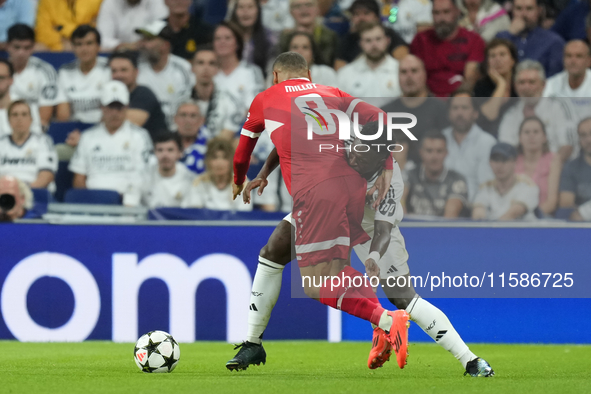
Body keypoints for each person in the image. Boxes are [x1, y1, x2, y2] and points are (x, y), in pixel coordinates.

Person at [227, 124, 494, 377]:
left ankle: (469, 360)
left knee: (402, 296)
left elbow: (383, 230)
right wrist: (262, 173)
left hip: (368, 221)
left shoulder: (391, 182)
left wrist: (374, 258)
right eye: (356, 148)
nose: (355, 156)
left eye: (364, 155)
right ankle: (253, 343)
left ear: (381, 160)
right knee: (273, 251)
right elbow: (289, 144)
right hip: (326, 207)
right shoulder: (336, 143)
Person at [232, 52, 411, 370]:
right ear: (308, 75)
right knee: (273, 251)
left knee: (317, 283)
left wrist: (238, 180)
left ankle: (384, 320)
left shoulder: (266, 98)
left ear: (275, 76)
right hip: (349, 187)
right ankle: (252, 343)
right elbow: (381, 121)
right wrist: (384, 164)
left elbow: (241, 152)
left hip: (316, 195)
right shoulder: (332, 94)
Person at [69, 81, 153, 207]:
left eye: (119, 108)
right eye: (110, 107)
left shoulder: (140, 136)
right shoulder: (87, 137)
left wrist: (129, 202)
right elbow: (79, 178)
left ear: (127, 107)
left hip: (129, 202)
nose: (115, 113)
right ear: (101, 107)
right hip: (94, 202)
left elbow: (144, 175)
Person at [498, 60, 576, 163]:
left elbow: (567, 146)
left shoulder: (559, 106)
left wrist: (548, 169)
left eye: (531, 82)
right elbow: (505, 150)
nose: (526, 87)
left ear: (543, 84)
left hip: (560, 168)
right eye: (521, 82)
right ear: (515, 86)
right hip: (521, 172)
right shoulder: (510, 115)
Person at [381, 54, 448, 166]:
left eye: (414, 71)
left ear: (424, 74)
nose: (409, 76)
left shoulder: (442, 110)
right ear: (397, 77)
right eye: (403, 72)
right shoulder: (384, 113)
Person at [410, 0, 485, 96]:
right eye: (436, 13)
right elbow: (414, 77)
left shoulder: (474, 40)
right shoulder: (420, 40)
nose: (441, 18)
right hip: (427, 100)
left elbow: (470, 79)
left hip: (460, 100)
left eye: (446, 12)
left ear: (457, 12)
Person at [136, 20, 196, 128]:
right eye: (143, 39)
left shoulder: (183, 69)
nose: (143, 44)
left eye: (149, 39)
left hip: (174, 129)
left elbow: (186, 104)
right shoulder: (137, 69)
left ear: (165, 45)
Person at [442, 91, 496, 201]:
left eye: (464, 108)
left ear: (475, 113)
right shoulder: (441, 139)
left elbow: (487, 186)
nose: (459, 113)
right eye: (455, 108)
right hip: (440, 206)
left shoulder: (487, 143)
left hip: (473, 209)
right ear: (448, 114)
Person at [7, 24, 61, 130]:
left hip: (34, 131)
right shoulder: (2, 71)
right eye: (17, 47)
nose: (21, 53)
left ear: (33, 47)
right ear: (8, 46)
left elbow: (45, 116)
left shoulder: (46, 71)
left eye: (26, 48)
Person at [403, 132, 469, 217]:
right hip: (411, 229)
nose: (434, 157)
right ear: (421, 153)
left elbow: (449, 217)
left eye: (439, 151)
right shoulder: (409, 175)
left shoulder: (457, 180)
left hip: (442, 229)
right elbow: (398, 202)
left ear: (446, 153)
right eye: (429, 151)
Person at [55, 25, 112, 125]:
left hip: (103, 128)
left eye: (89, 43)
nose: (84, 49)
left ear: (98, 46)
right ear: (72, 47)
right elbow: (63, 116)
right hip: (74, 129)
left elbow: (114, 110)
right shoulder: (64, 72)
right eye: (79, 44)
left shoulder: (110, 68)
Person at [337, 22, 401, 108]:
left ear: (387, 41)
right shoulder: (346, 74)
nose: (374, 45)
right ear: (361, 44)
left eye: (378, 39)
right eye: (368, 40)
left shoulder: (401, 71)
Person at [495, 0, 564, 78]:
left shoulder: (553, 41)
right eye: (519, 8)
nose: (523, 14)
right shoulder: (501, 37)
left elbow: (555, 78)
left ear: (539, 11)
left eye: (529, 9)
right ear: (512, 10)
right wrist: (510, 34)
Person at [109, 51, 168, 141]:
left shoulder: (144, 94)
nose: (118, 75)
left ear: (136, 72)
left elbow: (125, 126)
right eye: (114, 71)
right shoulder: (109, 95)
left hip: (153, 149)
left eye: (124, 70)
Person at [472, 142, 539, 220]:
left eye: (504, 160)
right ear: (490, 162)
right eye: (496, 160)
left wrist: (492, 230)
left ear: (515, 162)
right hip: (492, 231)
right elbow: (478, 215)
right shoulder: (485, 188)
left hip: (522, 231)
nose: (499, 165)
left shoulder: (527, 185)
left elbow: (512, 214)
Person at [335, 0, 408, 70]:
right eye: (356, 14)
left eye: (366, 13)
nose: (361, 18)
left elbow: (403, 60)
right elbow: (340, 68)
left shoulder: (388, 33)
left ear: (377, 17)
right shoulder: (348, 39)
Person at [212, 22, 264, 121]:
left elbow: (256, 108)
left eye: (227, 38)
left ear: (237, 44)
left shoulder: (252, 72)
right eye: (217, 38)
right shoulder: (208, 73)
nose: (222, 42)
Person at [183, 137, 252, 211]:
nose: (219, 163)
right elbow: (194, 215)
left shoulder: (242, 184)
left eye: (225, 158)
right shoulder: (198, 183)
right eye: (215, 157)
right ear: (208, 161)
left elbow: (244, 217)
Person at [0, 100, 57, 189]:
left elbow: (46, 176)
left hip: (35, 193)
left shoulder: (43, 141)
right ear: (8, 120)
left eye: (24, 114)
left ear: (31, 119)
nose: (19, 118)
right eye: (15, 115)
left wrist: (22, 193)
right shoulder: (1, 143)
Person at [190, 46, 244, 139]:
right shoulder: (180, 101)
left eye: (211, 63)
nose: (205, 68)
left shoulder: (230, 102)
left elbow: (226, 137)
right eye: (200, 63)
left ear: (217, 69)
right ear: (192, 68)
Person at [515, 116, 561, 215]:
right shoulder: (512, 161)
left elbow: (552, 201)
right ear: (520, 138)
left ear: (544, 137)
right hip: (514, 217)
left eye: (536, 132)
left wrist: (531, 219)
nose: (531, 136)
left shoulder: (553, 159)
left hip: (543, 218)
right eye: (527, 132)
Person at [474, 38, 518, 137]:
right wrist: (501, 84)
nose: (497, 59)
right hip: (490, 134)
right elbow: (489, 115)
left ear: (512, 61)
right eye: (492, 56)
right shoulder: (481, 86)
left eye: (502, 54)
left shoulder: (521, 82)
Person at [277, 0, 340, 67]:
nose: (303, 9)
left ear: (317, 9)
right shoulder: (285, 37)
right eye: (297, 6)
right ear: (290, 12)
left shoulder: (329, 36)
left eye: (308, 5)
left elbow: (328, 62)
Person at [543, 40, 591, 122]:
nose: (573, 61)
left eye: (579, 56)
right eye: (568, 56)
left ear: (588, 61)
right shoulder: (551, 84)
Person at [143, 132, 194, 208]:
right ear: (154, 152)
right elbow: (130, 209)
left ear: (180, 153)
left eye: (170, 150)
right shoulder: (143, 177)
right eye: (160, 150)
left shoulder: (191, 180)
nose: (165, 155)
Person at [96, 0, 169, 52]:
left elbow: (161, 30)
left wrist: (144, 43)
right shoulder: (110, 3)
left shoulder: (157, 2)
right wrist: (125, 46)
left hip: (148, 52)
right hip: (118, 54)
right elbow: (102, 39)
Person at [229, 0, 278, 77]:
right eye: (241, 7)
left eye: (250, 7)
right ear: (234, 11)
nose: (245, 12)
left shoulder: (269, 38)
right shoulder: (225, 37)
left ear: (258, 11)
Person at [34, 0, 103, 51]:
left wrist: (65, 34)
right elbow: (42, 32)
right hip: (60, 46)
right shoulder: (47, 1)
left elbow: (98, 28)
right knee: (38, 47)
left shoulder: (96, 1)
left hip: (88, 43)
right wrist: (61, 45)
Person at [559, 117, 591, 218]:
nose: (589, 139)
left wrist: (584, 212)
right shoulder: (571, 167)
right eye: (583, 135)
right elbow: (566, 205)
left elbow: (579, 214)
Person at [175, 101, 209, 175]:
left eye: (193, 116)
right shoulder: (164, 144)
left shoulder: (211, 146)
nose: (188, 121)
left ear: (201, 120)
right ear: (175, 119)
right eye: (183, 115)